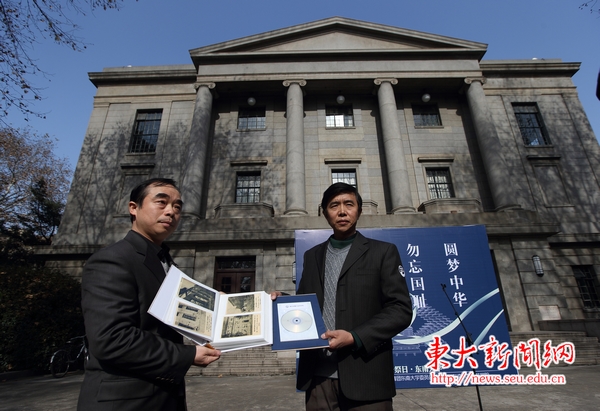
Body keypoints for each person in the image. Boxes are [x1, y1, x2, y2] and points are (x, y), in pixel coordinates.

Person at [78, 178, 221, 411]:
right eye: (161, 202)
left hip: (164, 398)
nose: (171, 211)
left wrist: (222, 306)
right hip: (124, 402)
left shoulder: (167, 264)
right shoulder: (112, 260)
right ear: (133, 208)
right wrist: (187, 355)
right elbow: (111, 338)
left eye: (177, 206)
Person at [274, 182, 412, 411]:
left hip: (367, 377)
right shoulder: (312, 256)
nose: (342, 211)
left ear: (359, 210)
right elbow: (307, 304)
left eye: (349, 204)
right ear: (324, 212)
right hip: (318, 379)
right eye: (334, 205)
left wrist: (355, 337)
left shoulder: (383, 252)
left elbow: (400, 309)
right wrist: (282, 300)